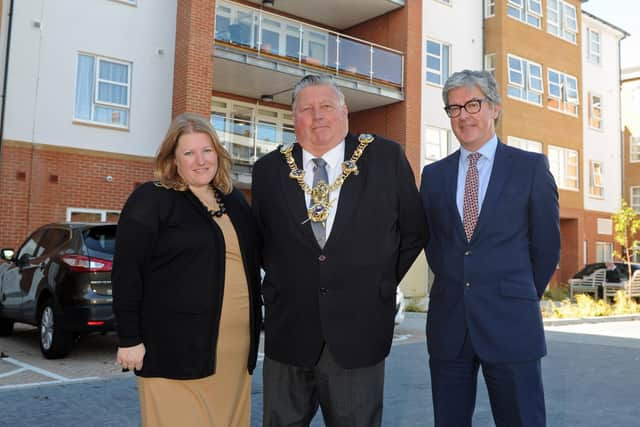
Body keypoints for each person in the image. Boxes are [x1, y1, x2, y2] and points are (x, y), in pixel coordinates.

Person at [252, 74, 427, 426]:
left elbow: (414, 230)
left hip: (358, 331)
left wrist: (377, 279)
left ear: (345, 113)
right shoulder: (268, 170)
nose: (318, 116)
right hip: (289, 332)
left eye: (327, 106)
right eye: (307, 109)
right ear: (293, 117)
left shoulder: (384, 158)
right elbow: (261, 240)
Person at [420, 70, 560, 427]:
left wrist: (519, 293)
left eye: (472, 104)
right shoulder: (433, 176)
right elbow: (433, 242)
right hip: (450, 327)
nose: (463, 115)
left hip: (512, 324)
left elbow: (546, 247)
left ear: (494, 108)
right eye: (454, 108)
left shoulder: (530, 167)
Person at [112, 113, 262, 426]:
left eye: (206, 151)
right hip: (173, 350)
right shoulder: (152, 199)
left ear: (218, 155)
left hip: (233, 350)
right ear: (173, 159)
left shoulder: (233, 200)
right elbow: (127, 271)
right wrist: (129, 338)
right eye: (189, 153)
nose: (200, 161)